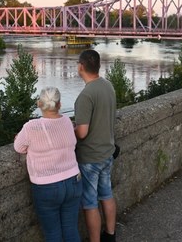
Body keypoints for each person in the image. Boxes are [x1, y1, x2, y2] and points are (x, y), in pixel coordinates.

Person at [14, 87, 82, 242]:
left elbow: (18, 147)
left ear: (39, 104)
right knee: (71, 230)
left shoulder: (31, 127)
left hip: (47, 186)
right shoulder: (66, 121)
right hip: (73, 181)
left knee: (53, 234)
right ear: (59, 105)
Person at [74, 50, 118, 242]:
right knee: (107, 194)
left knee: (90, 203)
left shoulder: (85, 95)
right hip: (107, 152)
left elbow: (82, 133)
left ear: (81, 66)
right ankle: (110, 234)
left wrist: (69, 129)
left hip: (90, 157)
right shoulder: (108, 85)